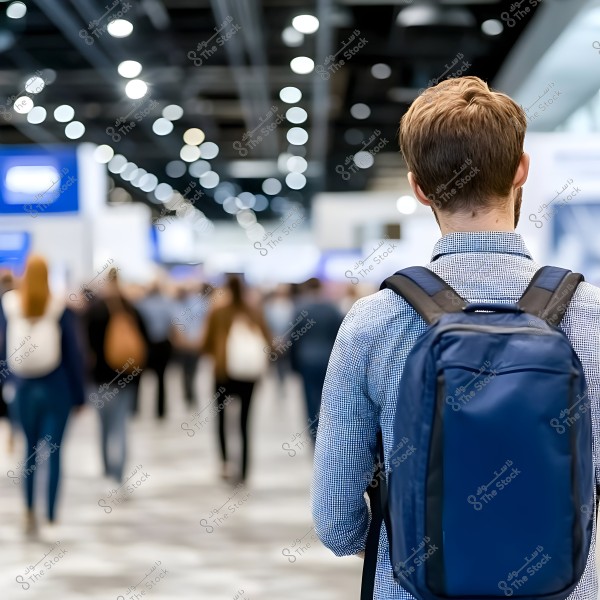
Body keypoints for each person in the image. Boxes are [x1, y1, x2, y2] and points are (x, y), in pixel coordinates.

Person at [312, 76, 600, 599]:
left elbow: (335, 519)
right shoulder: (592, 313)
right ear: (521, 170)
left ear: (418, 187)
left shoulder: (373, 320)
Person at [0, 255, 85, 534]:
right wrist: (80, 396)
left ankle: (27, 510)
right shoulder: (60, 309)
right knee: (55, 451)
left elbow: (3, 351)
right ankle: (50, 512)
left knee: (29, 451)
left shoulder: (9, 306)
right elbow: (73, 357)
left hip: (23, 387)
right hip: (56, 387)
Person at [201, 275, 270, 484]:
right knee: (244, 422)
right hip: (249, 375)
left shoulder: (218, 312)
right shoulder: (254, 312)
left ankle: (225, 463)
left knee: (222, 420)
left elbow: (206, 344)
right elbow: (268, 340)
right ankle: (245, 468)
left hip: (223, 374)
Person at [85, 267, 148, 482]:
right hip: (125, 379)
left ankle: (106, 470)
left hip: (100, 380)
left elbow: (85, 347)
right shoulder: (131, 309)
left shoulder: (95, 310)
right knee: (120, 427)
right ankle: (119, 475)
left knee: (103, 427)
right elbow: (143, 346)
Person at [289, 278, 343, 441]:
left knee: (310, 401)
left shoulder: (300, 309)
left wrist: (293, 365)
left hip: (307, 360)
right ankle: (328, 435)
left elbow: (294, 339)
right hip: (329, 360)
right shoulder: (332, 308)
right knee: (328, 401)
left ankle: (314, 436)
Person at [135, 281, 175, 418]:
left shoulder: (141, 304)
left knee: (138, 377)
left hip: (146, 345)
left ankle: (135, 408)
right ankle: (160, 410)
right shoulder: (166, 304)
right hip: (162, 345)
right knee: (161, 379)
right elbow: (171, 325)